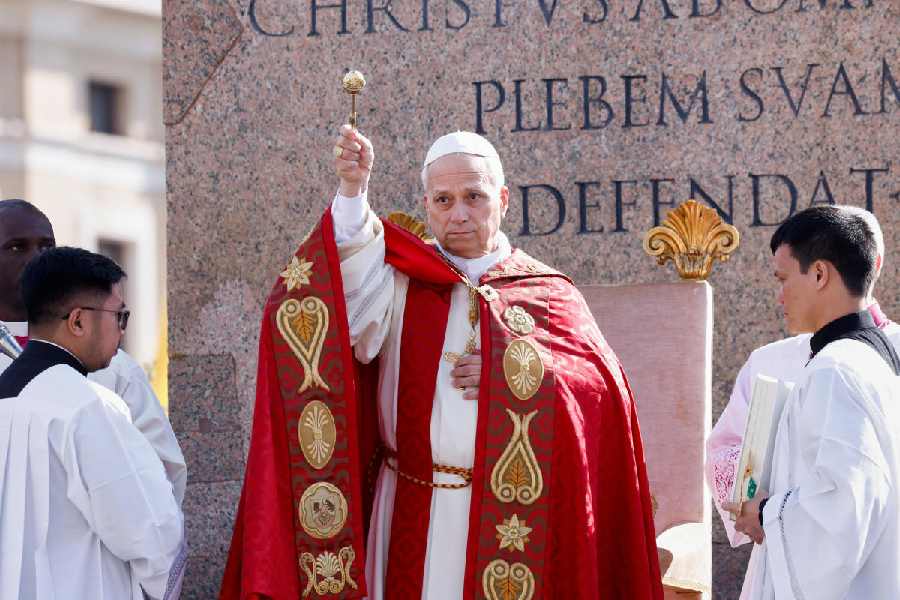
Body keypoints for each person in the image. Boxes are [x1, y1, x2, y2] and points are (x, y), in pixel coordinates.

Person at [220, 126, 663, 599]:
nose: (459, 214)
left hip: (512, 522)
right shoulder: (399, 279)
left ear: (504, 199)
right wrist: (353, 192)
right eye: (444, 200)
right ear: (426, 205)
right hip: (408, 501)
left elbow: (599, 392)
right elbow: (336, 306)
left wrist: (515, 378)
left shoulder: (547, 293)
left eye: (474, 196)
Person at [725, 206, 900, 599]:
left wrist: (765, 514)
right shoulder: (875, 357)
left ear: (820, 274)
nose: (779, 295)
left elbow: (846, 502)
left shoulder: (836, 368)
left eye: (783, 278)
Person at [0, 247, 184, 599]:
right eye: (119, 315)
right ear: (79, 321)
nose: (122, 331)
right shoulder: (88, 405)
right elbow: (153, 535)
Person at [0, 198, 186, 505]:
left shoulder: (113, 367)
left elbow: (163, 468)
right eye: (17, 247)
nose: (35, 260)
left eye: (46, 247)